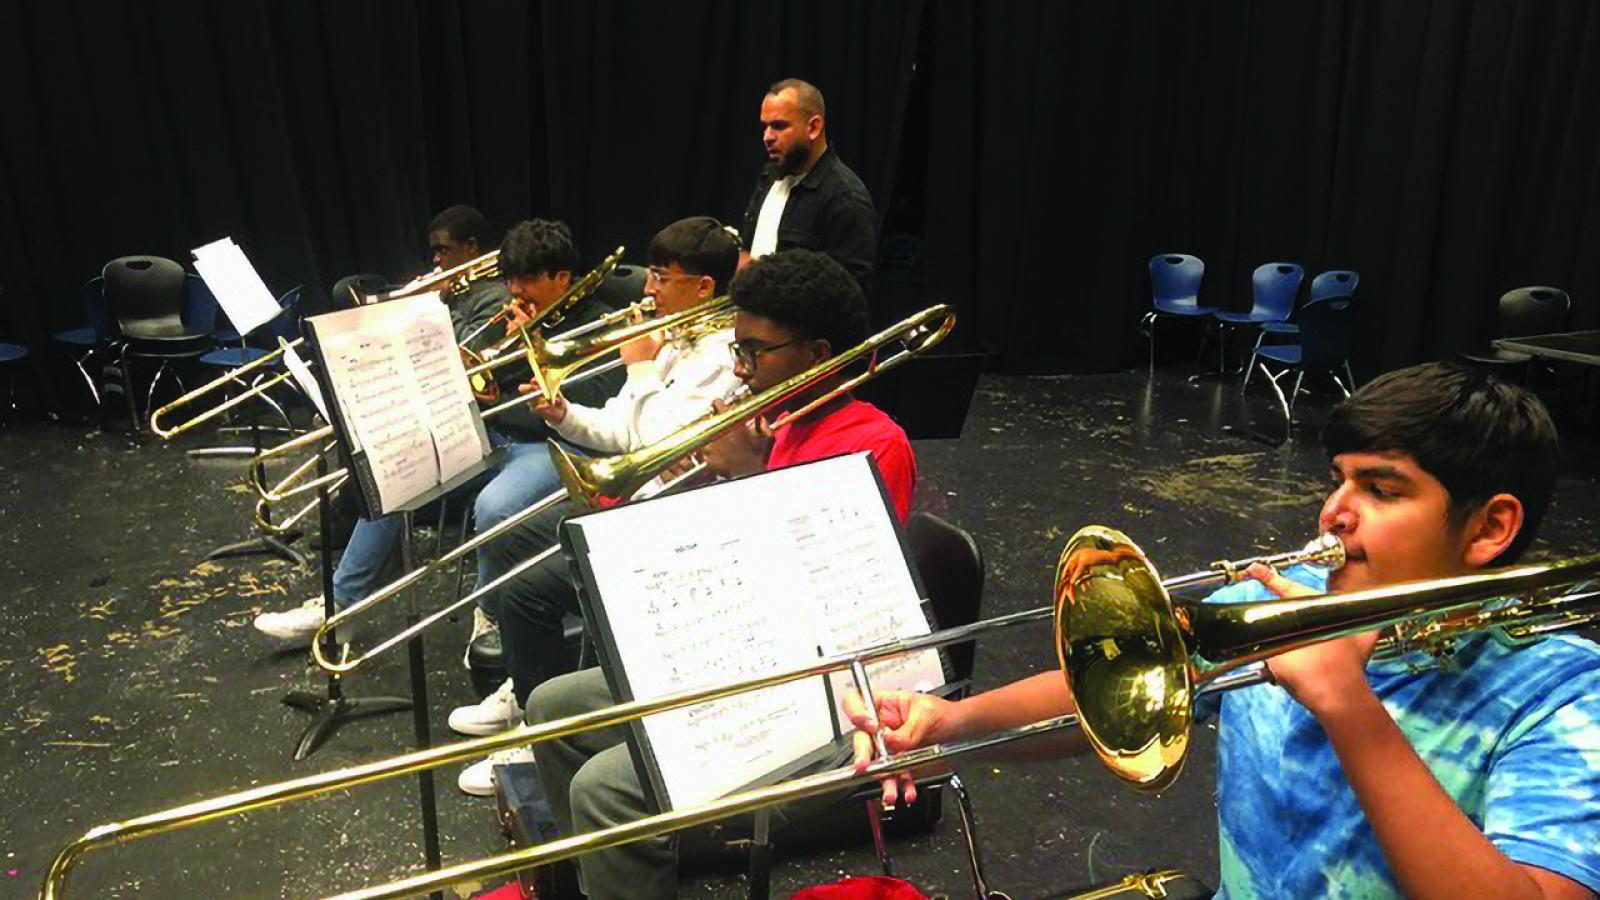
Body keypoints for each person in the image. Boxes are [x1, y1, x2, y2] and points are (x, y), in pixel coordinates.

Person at [849, 362, 1600, 900]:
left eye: (1381, 488)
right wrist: (951, 723)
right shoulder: (1286, 599)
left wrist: (1349, 704)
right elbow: (1116, 694)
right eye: (1337, 478)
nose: (1335, 510)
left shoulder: (1563, 689)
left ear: (1491, 525)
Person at [522, 248, 916, 898]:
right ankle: (602, 878)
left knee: (607, 787)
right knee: (551, 707)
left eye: (754, 353)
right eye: (737, 351)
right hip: (746, 657)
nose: (739, 370)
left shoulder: (874, 443)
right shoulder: (779, 422)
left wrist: (753, 473)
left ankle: (628, 860)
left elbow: (828, 608)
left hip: (826, 698)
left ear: (817, 353)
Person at [449, 217, 744, 796]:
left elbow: (658, 442)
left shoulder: (720, 353)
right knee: (508, 536)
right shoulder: (673, 336)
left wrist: (638, 363)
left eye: (661, 277)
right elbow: (618, 427)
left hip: (665, 514)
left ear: (704, 287)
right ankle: (524, 687)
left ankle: (541, 737)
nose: (648, 290)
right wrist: (560, 413)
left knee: (528, 591)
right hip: (627, 493)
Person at [253, 216, 623, 643]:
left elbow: (594, 399)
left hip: (555, 446)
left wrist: (528, 348)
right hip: (496, 432)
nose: (516, 291)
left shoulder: (604, 323)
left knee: (494, 506)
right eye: (511, 280)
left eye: (527, 281)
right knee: (401, 470)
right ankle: (341, 607)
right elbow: (483, 376)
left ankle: (492, 620)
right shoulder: (517, 314)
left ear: (561, 277)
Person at [740, 78, 877, 301]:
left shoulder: (845, 198)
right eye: (764, 126)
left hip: (796, 333)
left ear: (813, 127)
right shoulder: (770, 176)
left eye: (779, 126)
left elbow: (851, 296)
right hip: (755, 320)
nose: (767, 136)